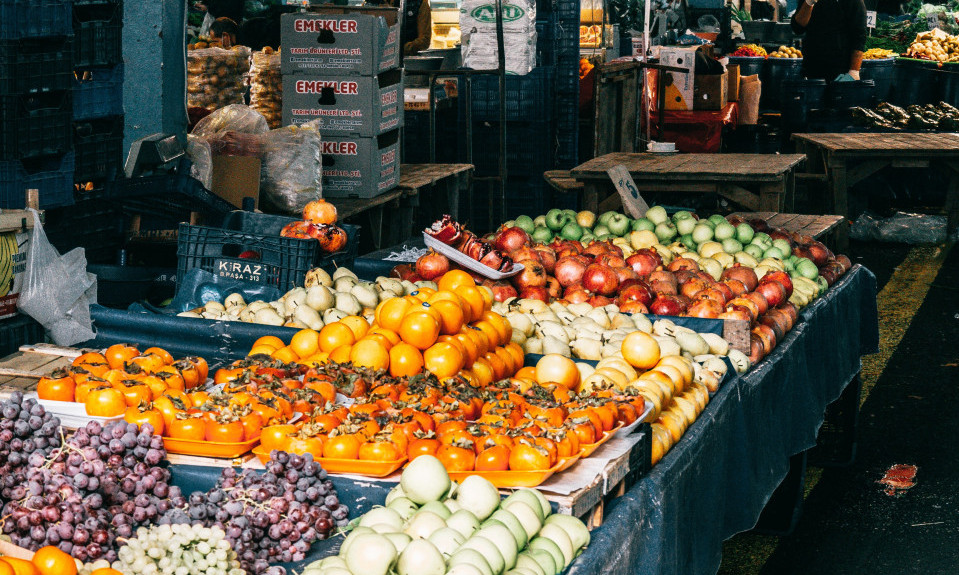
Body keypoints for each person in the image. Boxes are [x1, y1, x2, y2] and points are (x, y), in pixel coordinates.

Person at [790, 0, 867, 81]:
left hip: (840, 70)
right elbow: (798, 28)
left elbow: (859, 37)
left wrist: (854, 71)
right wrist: (808, 3)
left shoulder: (854, 2)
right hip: (811, 67)